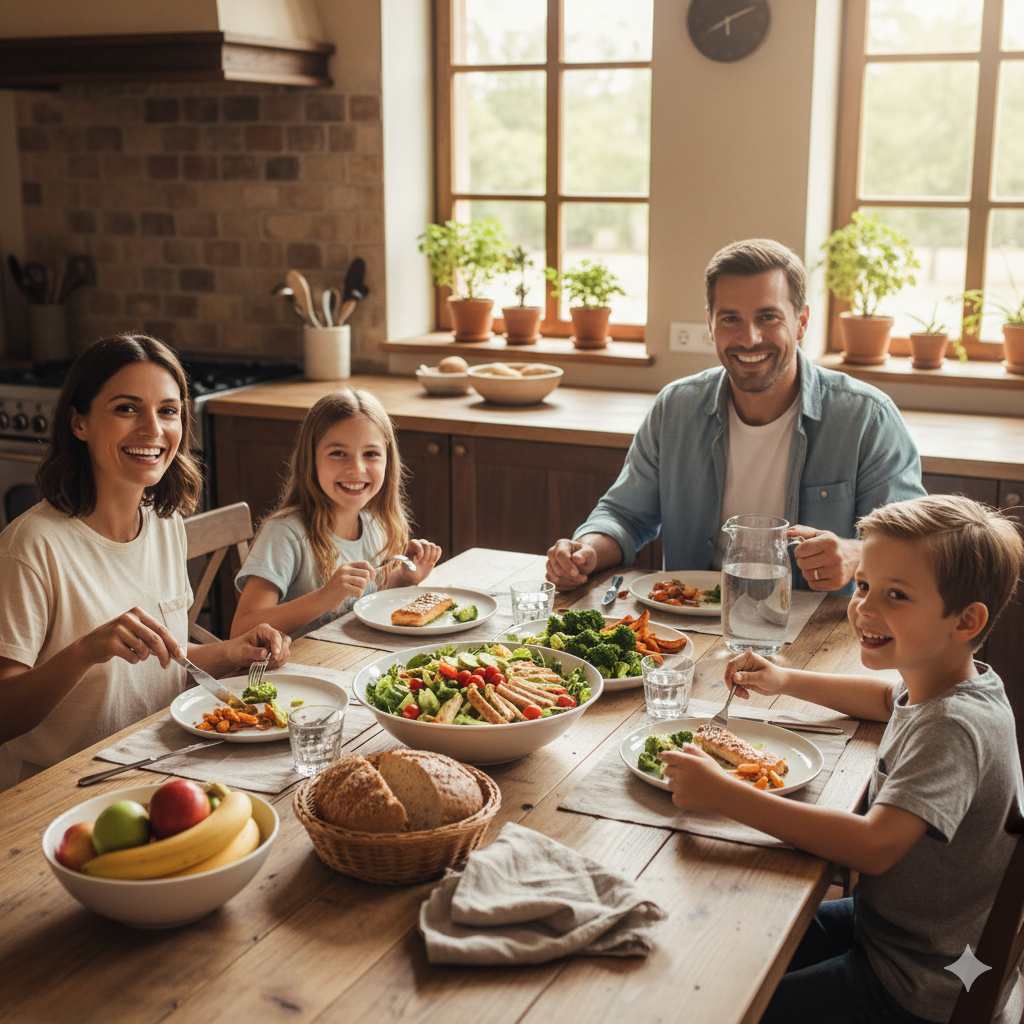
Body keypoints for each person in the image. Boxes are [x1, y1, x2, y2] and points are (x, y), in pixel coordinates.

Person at [662, 494, 1024, 1023]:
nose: (866, 608)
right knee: (727, 946)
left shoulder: (953, 726)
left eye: (896, 595)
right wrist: (784, 679)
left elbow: (873, 847)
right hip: (897, 929)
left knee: (725, 1005)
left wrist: (724, 793)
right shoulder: (948, 680)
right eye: (864, 586)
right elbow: (884, 700)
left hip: (918, 983)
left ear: (965, 621)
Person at [546, 238, 926, 593]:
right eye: (730, 319)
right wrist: (588, 550)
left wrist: (854, 553)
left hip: (818, 637)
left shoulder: (866, 417)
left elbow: (912, 547)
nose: (749, 338)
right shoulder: (675, 408)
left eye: (768, 318)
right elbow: (625, 515)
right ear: (710, 325)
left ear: (802, 323)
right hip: (690, 624)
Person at [0, 335, 290, 790]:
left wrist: (232, 653)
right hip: (61, 792)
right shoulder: (32, 546)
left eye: (168, 411)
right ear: (79, 423)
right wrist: (85, 651)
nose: (153, 429)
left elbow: (158, 665)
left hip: (157, 767)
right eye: (126, 409)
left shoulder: (164, 522)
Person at [231, 388, 441, 639]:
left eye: (371, 454)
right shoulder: (285, 534)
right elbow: (242, 630)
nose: (357, 468)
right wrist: (324, 597)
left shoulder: (376, 525)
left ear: (388, 461)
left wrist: (403, 579)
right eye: (338, 453)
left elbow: (364, 600)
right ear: (311, 460)